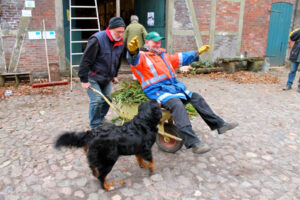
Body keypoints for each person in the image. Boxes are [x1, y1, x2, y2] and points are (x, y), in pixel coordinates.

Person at [126, 32, 238, 154]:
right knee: (177, 105)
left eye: (159, 41)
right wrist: (133, 52)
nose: (158, 44)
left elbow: (180, 57)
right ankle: (193, 142)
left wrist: (197, 53)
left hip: (173, 89)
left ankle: (220, 125)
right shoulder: (142, 56)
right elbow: (134, 61)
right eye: (155, 42)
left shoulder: (163, 55)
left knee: (196, 97)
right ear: (147, 42)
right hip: (156, 91)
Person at [78, 17, 126, 129]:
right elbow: (86, 60)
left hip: (107, 77)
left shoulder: (120, 42)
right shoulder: (97, 39)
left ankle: (100, 118)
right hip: (93, 76)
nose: (120, 34)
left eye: (122, 32)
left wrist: (115, 74)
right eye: (118, 32)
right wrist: (83, 79)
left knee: (108, 99)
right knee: (97, 101)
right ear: (110, 29)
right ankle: (95, 125)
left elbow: (118, 59)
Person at [283, 28, 300, 92]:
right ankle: (289, 85)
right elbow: (292, 38)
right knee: (292, 70)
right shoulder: (298, 32)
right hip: (295, 55)